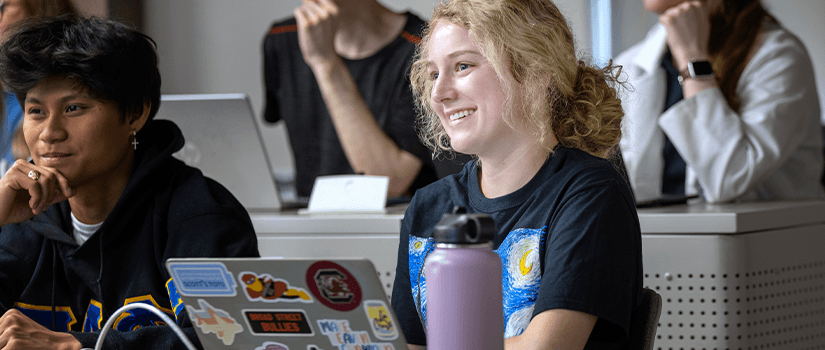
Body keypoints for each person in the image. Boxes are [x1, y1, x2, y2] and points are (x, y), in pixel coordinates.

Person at [390, 0, 642, 349]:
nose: (438, 93)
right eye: (433, 74)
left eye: (462, 66)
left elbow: (545, 348)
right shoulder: (427, 206)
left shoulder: (590, 192)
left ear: (536, 72)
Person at [0, 14, 259, 349]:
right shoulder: (21, 218)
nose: (50, 133)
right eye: (36, 112)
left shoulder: (201, 215)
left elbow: (228, 340)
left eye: (74, 108)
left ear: (135, 114)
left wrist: (77, 346)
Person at [616, 0, 825, 203]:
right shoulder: (629, 65)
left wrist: (692, 62)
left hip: (765, 237)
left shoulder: (780, 58)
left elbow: (729, 177)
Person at [263, 0, 439, 199]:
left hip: (392, 222)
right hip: (309, 221)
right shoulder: (280, 38)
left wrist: (325, 63)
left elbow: (389, 184)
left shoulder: (425, 51)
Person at [0, 0, 79, 175]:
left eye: (2, 7)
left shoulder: (81, 78)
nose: (50, 133)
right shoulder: (7, 95)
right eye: (35, 111)